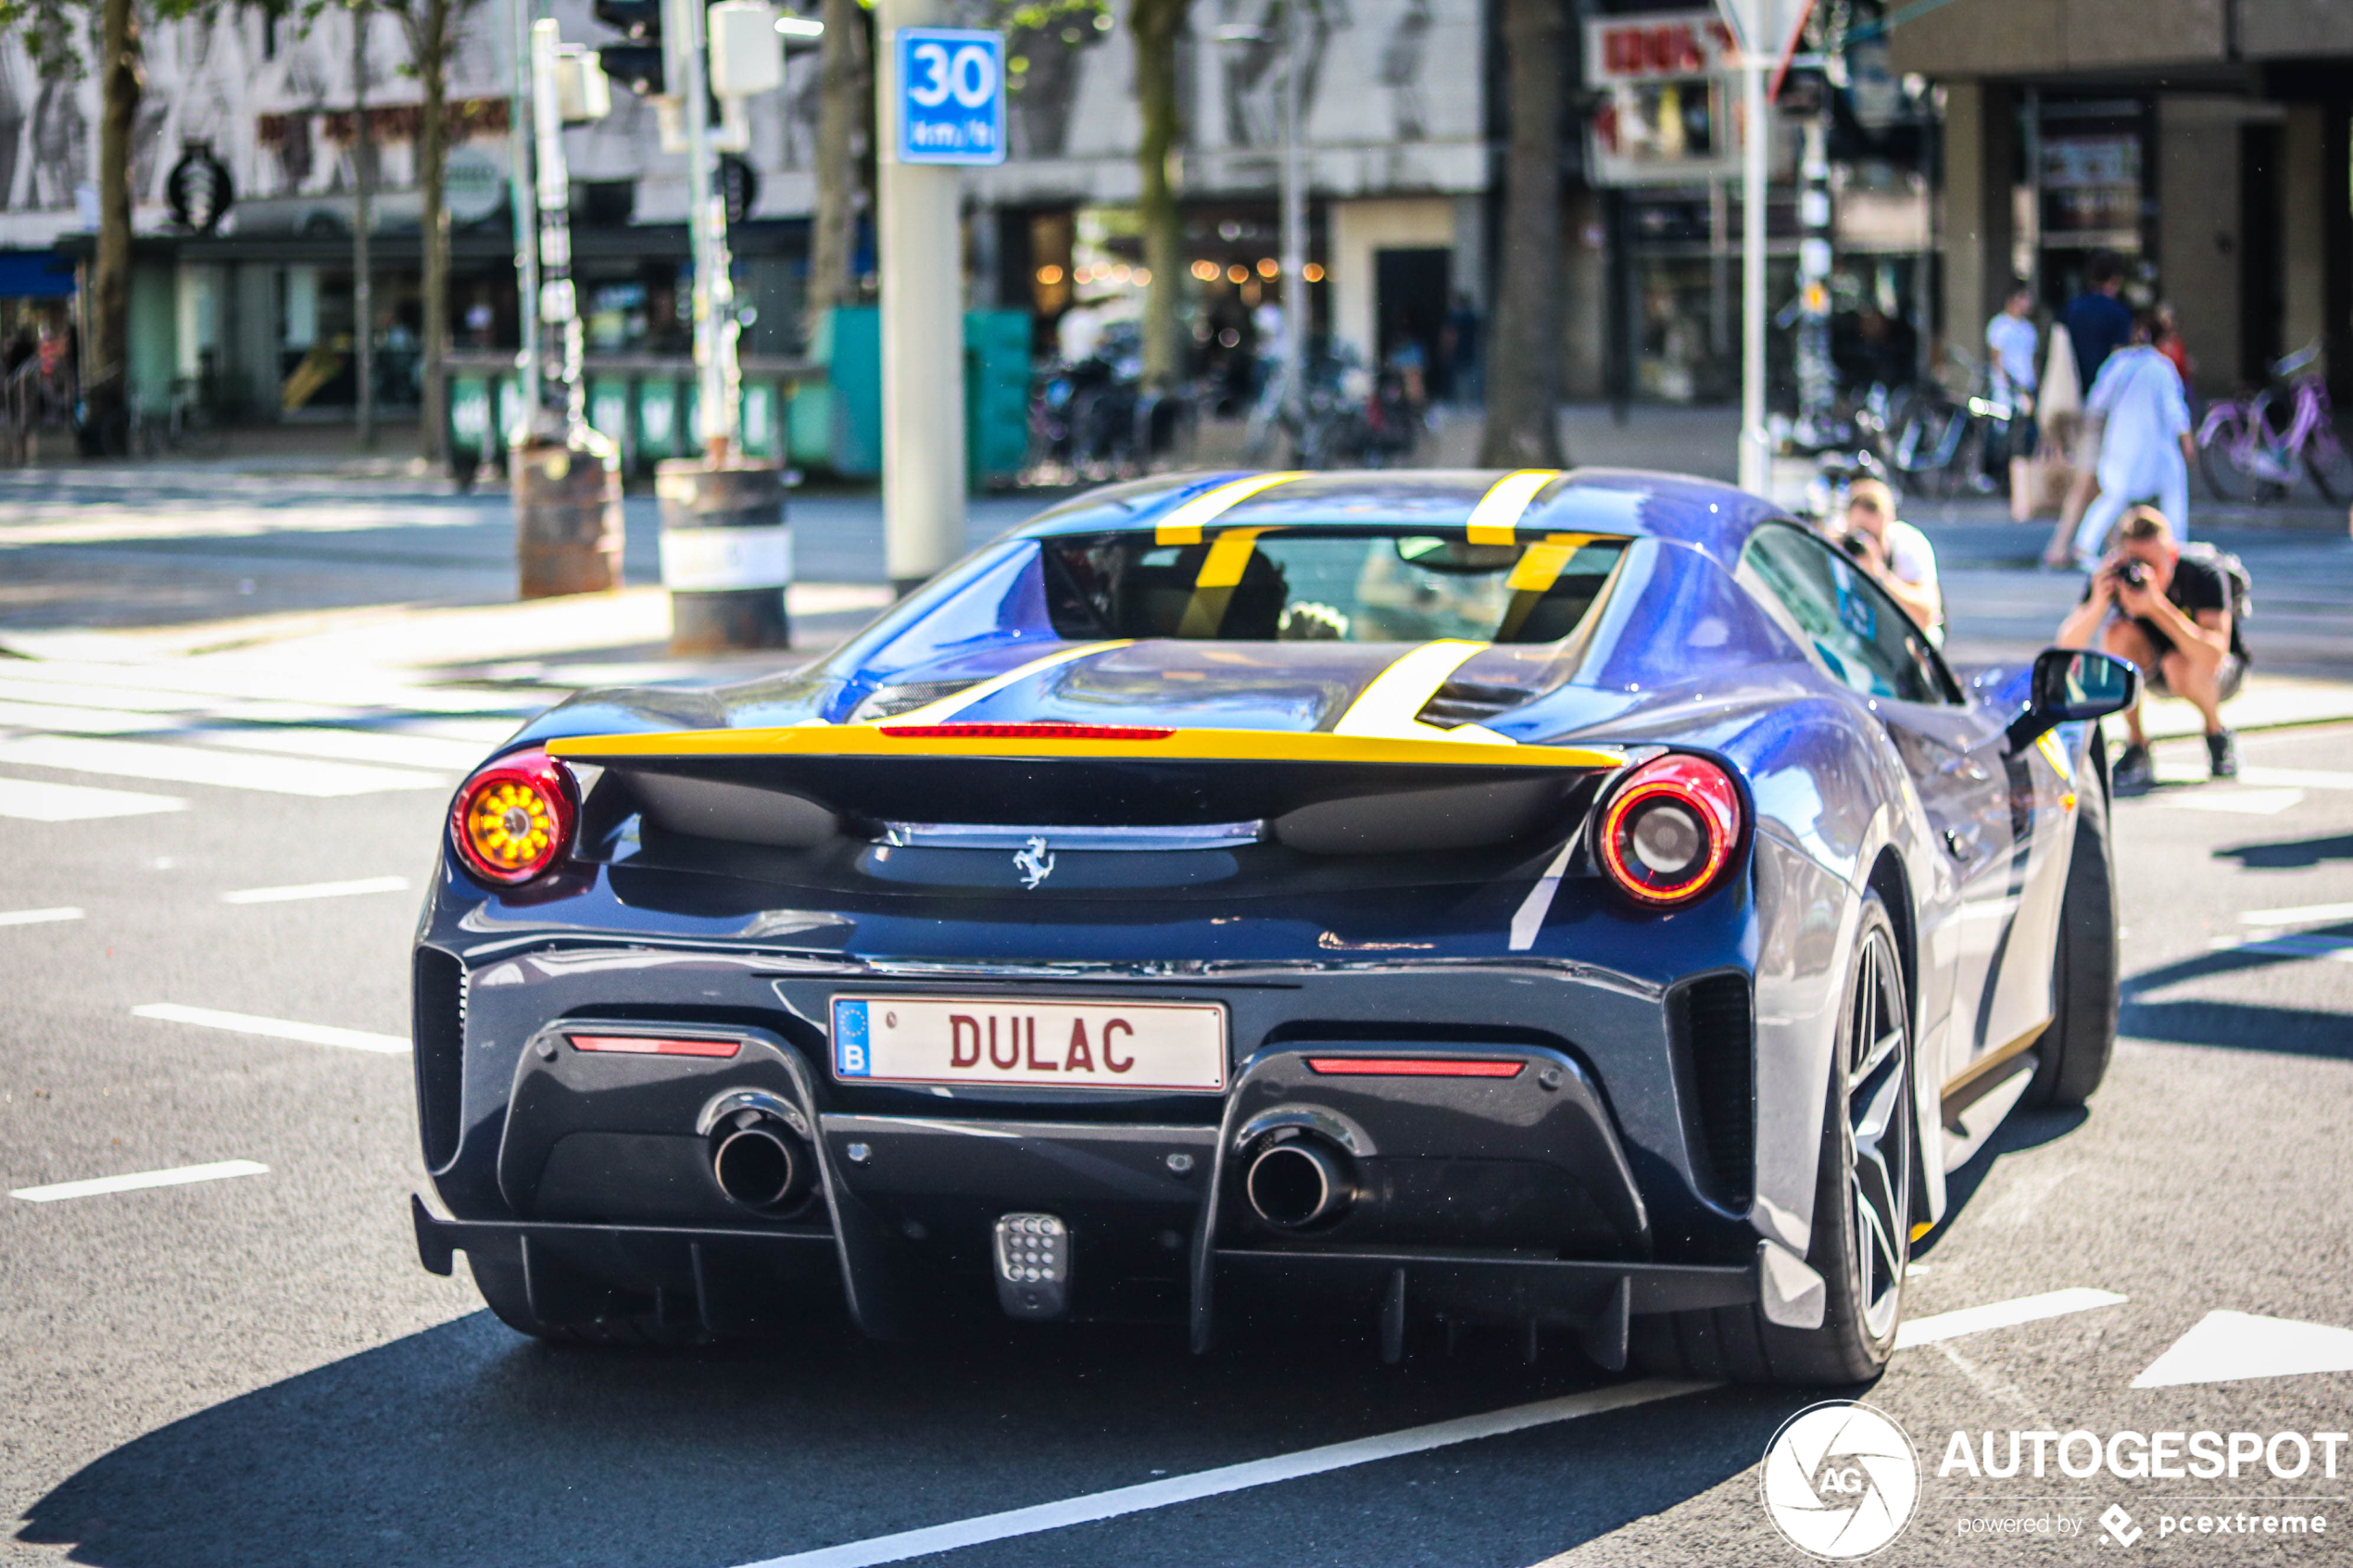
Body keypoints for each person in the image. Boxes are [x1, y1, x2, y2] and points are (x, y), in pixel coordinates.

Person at [2054, 506, 2246, 790]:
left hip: (2214, 674)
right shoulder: (2115, 575)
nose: (2142, 574)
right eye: (2135, 563)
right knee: (2117, 634)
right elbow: (2066, 646)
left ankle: (2216, 734)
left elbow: (2213, 656)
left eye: (2153, 565)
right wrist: (2098, 602)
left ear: (2172, 555)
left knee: (2178, 664)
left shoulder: (2202, 573)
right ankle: (2137, 744)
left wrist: (2158, 608)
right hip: (2153, 669)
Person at [2048, 310, 2196, 568]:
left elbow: (2097, 403)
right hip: (2157, 446)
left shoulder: (2118, 363)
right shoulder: (2161, 367)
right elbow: (2174, 411)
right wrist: (2186, 439)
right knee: (2174, 489)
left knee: (2114, 495)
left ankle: (2084, 546)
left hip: (2120, 442)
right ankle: (2176, 548)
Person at [2052, 254, 2135, 552]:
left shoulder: (2071, 310)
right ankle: (2060, 547)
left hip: (2073, 403)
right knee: (2091, 478)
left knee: (2103, 481)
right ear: (2114, 280)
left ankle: (2116, 546)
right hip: (2105, 408)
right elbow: (2118, 365)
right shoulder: (2118, 314)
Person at [1833, 478, 1944, 642]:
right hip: (1855, 634)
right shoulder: (1836, 543)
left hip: (1901, 635)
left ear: (1889, 525)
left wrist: (1879, 575)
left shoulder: (1908, 544)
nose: (1866, 543)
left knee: (1925, 642)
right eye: (1859, 533)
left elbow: (1926, 615)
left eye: (1874, 536)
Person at [1986, 282, 2040, 523]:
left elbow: (2033, 360)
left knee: (2025, 436)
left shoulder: (2029, 330)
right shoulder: (1999, 326)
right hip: (2006, 391)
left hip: (2026, 390)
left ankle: (2020, 486)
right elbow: (1996, 359)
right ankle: (2000, 480)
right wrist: (2008, 384)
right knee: (2003, 435)